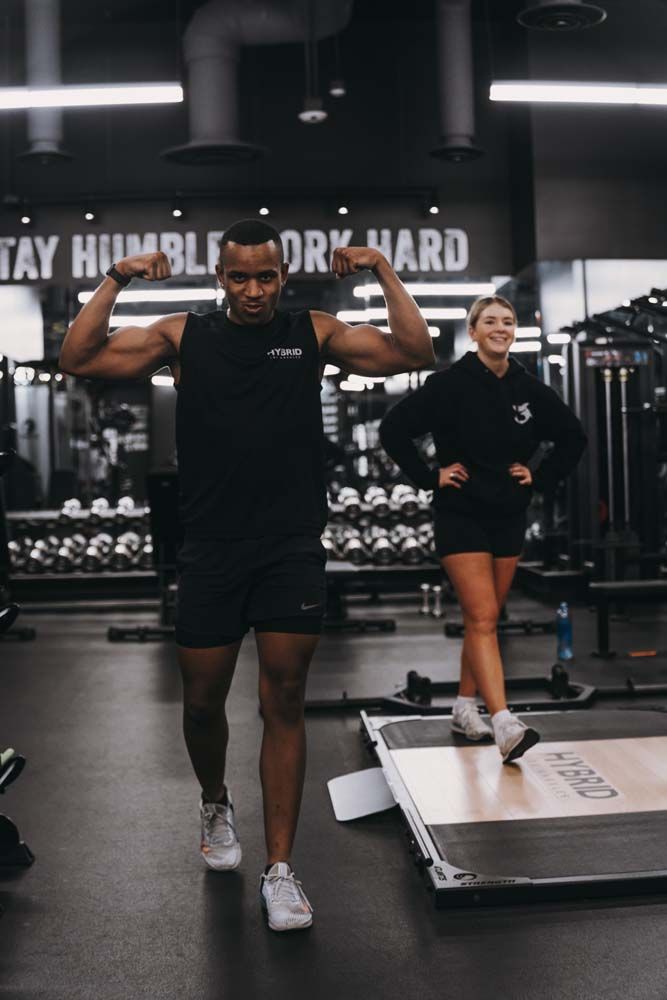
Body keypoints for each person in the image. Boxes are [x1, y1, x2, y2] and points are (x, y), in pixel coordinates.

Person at [59, 219, 434, 932]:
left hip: (290, 543)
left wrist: (382, 269)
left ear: (283, 276)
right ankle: (214, 802)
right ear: (219, 277)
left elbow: (414, 350)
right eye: (239, 276)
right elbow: (77, 358)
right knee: (202, 704)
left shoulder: (314, 333)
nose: (253, 290)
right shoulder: (182, 338)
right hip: (209, 546)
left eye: (265, 277)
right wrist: (118, 278)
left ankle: (282, 870)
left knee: (283, 701)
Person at [380, 295, 586, 763]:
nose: (500, 328)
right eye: (490, 321)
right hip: (461, 513)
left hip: (509, 513)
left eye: (508, 322)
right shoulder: (449, 385)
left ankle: (462, 706)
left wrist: (540, 475)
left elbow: (573, 436)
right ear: (472, 332)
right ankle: (503, 722)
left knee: (487, 619)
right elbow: (394, 429)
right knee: (482, 617)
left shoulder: (528, 388)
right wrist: (430, 475)